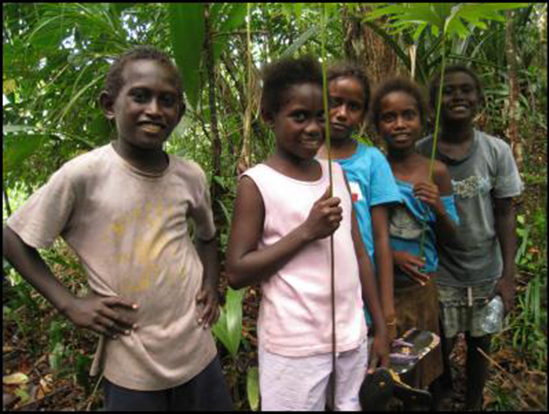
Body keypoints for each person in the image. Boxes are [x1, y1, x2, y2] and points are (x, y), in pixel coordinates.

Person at [3, 46, 233, 411]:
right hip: (132, 358)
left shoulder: (190, 175)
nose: (154, 109)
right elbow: (12, 236)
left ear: (180, 113)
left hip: (196, 347)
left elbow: (207, 236)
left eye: (167, 100)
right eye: (140, 96)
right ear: (110, 105)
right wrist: (68, 304)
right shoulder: (84, 175)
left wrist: (209, 282)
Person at [225, 55, 389, 411]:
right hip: (294, 346)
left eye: (320, 116)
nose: (314, 128)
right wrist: (306, 232)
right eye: (299, 116)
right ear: (269, 117)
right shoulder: (258, 183)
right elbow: (237, 272)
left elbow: (359, 254)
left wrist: (378, 326)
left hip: (350, 336)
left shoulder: (337, 174)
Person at [416, 65, 523, 410]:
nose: (458, 97)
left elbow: (506, 213)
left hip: (485, 271)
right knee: (438, 347)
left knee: (480, 345)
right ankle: (441, 395)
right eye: (448, 91)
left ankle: (474, 401)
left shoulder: (496, 151)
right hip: (440, 273)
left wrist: (508, 276)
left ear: (478, 100)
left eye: (466, 90)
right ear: (433, 104)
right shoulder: (420, 152)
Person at [370, 77, 459, 404]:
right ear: (377, 124)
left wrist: (437, 206)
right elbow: (362, 232)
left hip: (422, 288)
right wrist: (392, 256)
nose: (400, 124)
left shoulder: (436, 171)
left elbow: (452, 237)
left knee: (420, 369)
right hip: (381, 288)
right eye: (389, 117)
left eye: (408, 115)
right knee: (384, 368)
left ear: (422, 119)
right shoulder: (372, 167)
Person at [317, 63, 402, 342]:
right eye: (335, 102)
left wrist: (387, 312)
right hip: (314, 293)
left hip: (362, 293)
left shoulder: (371, 161)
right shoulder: (304, 159)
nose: (342, 113)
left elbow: (380, 237)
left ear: (363, 115)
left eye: (353, 107)